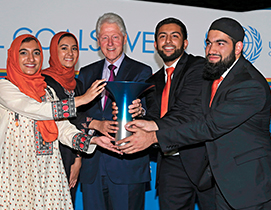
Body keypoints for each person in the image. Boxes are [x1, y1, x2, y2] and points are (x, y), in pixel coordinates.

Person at [117, 17, 271, 209]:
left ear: (238, 48)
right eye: (209, 43)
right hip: (222, 182)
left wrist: (154, 137)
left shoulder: (249, 84)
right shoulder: (213, 77)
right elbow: (193, 112)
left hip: (250, 185)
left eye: (221, 43)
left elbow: (210, 126)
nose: (212, 50)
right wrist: (151, 124)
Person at [0, 34, 121, 210]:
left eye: (36, 53)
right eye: (23, 53)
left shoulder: (47, 92)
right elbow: (34, 109)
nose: (31, 59)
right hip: (14, 170)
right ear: (13, 56)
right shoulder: (4, 87)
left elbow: (62, 128)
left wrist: (93, 140)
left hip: (48, 171)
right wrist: (82, 100)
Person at [78, 12, 152, 210]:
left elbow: (151, 112)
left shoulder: (142, 72)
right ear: (97, 40)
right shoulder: (86, 73)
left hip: (127, 165)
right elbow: (73, 115)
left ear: (125, 39)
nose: (110, 43)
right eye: (104, 37)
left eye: (115, 37)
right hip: (92, 165)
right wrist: (96, 124)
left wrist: (140, 111)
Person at [143, 17, 215, 210]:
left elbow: (185, 111)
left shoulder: (199, 67)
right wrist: (135, 117)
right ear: (156, 44)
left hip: (204, 161)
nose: (168, 41)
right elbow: (155, 116)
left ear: (185, 43)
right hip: (170, 162)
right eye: (162, 36)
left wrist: (147, 128)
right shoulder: (152, 81)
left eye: (174, 36)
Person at [42, 31, 85, 209]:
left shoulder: (79, 85)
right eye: (64, 48)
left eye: (74, 48)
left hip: (70, 156)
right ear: (54, 51)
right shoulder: (42, 81)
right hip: (47, 157)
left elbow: (81, 124)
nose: (70, 53)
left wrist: (78, 159)